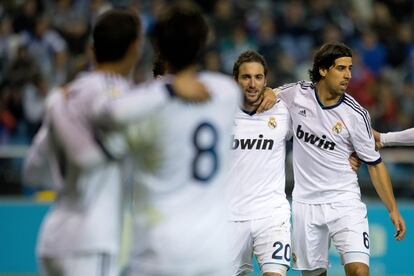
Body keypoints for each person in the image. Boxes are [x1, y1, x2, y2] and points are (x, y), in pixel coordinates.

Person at [23, 7, 209, 276]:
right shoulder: (125, 99)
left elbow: (32, 171)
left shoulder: (67, 96)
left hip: (53, 237)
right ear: (135, 48)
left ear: (92, 48)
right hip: (93, 240)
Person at [95, 2, 242, 275]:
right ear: (202, 43)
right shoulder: (225, 92)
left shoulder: (148, 101)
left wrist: (168, 91)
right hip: (214, 250)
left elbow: (107, 114)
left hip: (159, 250)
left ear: (156, 46)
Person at [275, 41, 406, 276]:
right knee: (314, 274)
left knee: (358, 271)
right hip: (306, 204)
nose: (348, 75)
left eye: (350, 68)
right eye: (341, 68)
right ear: (323, 70)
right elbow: (266, 95)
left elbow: (375, 164)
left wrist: (393, 209)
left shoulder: (356, 115)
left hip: (344, 201)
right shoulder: (296, 94)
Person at [226, 50, 292, 276]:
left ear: (266, 80)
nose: (252, 84)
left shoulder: (283, 111)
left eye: (258, 77)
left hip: (271, 215)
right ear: (236, 80)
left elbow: (316, 113)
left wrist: (351, 151)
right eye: (246, 77)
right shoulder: (220, 114)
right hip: (229, 217)